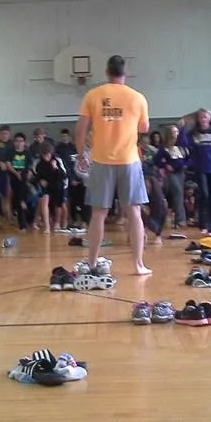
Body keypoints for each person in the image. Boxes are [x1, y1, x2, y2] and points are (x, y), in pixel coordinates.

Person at [75, 55, 151, 276]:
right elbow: (144, 128)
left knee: (98, 213)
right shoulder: (138, 98)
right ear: (124, 74)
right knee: (134, 212)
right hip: (129, 161)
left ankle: (91, 263)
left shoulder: (93, 95)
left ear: (107, 72)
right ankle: (138, 265)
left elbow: (80, 130)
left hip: (101, 160)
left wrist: (81, 154)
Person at [177, 109, 211, 237]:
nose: (203, 119)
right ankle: (203, 224)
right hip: (200, 168)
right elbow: (182, 143)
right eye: (201, 117)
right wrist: (182, 127)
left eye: (205, 117)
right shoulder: (194, 133)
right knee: (204, 195)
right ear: (198, 119)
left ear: (210, 118)